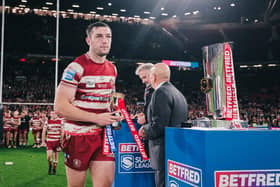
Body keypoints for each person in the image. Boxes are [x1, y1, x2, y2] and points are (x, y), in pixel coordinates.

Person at [54, 22, 121, 187]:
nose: (105, 40)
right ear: (88, 40)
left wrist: (115, 112)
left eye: (108, 36)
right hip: (78, 136)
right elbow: (60, 107)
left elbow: (110, 100)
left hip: (103, 136)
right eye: (99, 36)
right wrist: (97, 118)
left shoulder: (112, 68)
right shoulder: (76, 67)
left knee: (105, 184)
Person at [139, 63, 188, 187]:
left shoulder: (160, 92)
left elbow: (159, 126)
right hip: (175, 150)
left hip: (162, 151)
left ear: (154, 77)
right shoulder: (178, 93)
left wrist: (144, 129)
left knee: (162, 183)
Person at [135, 63, 154, 157]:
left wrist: (145, 119)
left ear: (153, 74)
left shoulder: (159, 91)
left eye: (144, 77)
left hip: (157, 139)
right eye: (141, 78)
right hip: (151, 136)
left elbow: (161, 114)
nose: (143, 81)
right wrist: (144, 115)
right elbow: (151, 109)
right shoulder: (149, 90)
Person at [41, 111, 63, 175]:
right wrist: (43, 141)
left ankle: (54, 169)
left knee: (56, 156)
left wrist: (62, 142)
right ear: (50, 115)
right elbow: (44, 132)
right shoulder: (47, 122)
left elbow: (62, 132)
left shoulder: (60, 122)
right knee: (49, 156)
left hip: (57, 141)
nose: (53, 115)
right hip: (50, 141)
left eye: (55, 113)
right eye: (52, 113)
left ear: (57, 115)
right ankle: (50, 165)